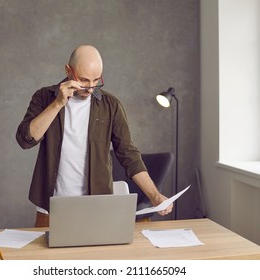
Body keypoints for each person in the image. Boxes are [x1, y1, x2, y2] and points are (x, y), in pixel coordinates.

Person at [16, 45, 173, 227]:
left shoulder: (111, 105)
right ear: (68, 70)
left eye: (96, 80)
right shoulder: (44, 97)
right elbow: (25, 140)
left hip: (96, 205)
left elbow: (128, 154)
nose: (90, 88)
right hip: (51, 206)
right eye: (83, 81)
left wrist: (154, 196)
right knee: (49, 255)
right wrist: (58, 104)